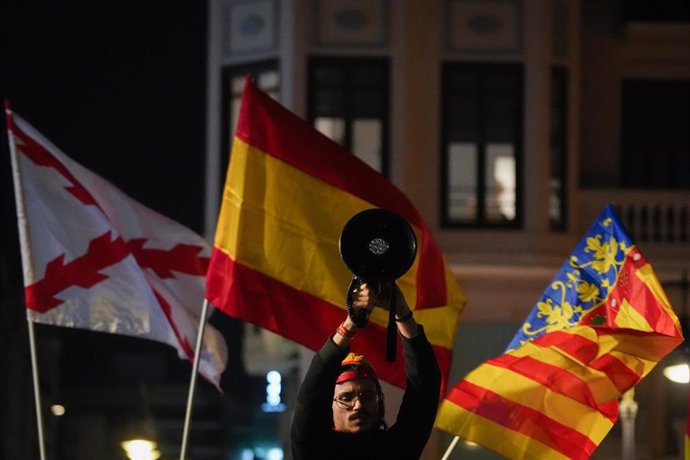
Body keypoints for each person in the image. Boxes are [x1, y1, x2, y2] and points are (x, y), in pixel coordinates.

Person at [290, 282, 441, 460]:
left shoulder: (397, 449)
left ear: (379, 403)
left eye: (368, 396)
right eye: (346, 398)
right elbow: (311, 397)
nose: (359, 405)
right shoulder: (314, 451)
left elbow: (425, 386)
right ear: (327, 405)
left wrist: (401, 312)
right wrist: (351, 323)